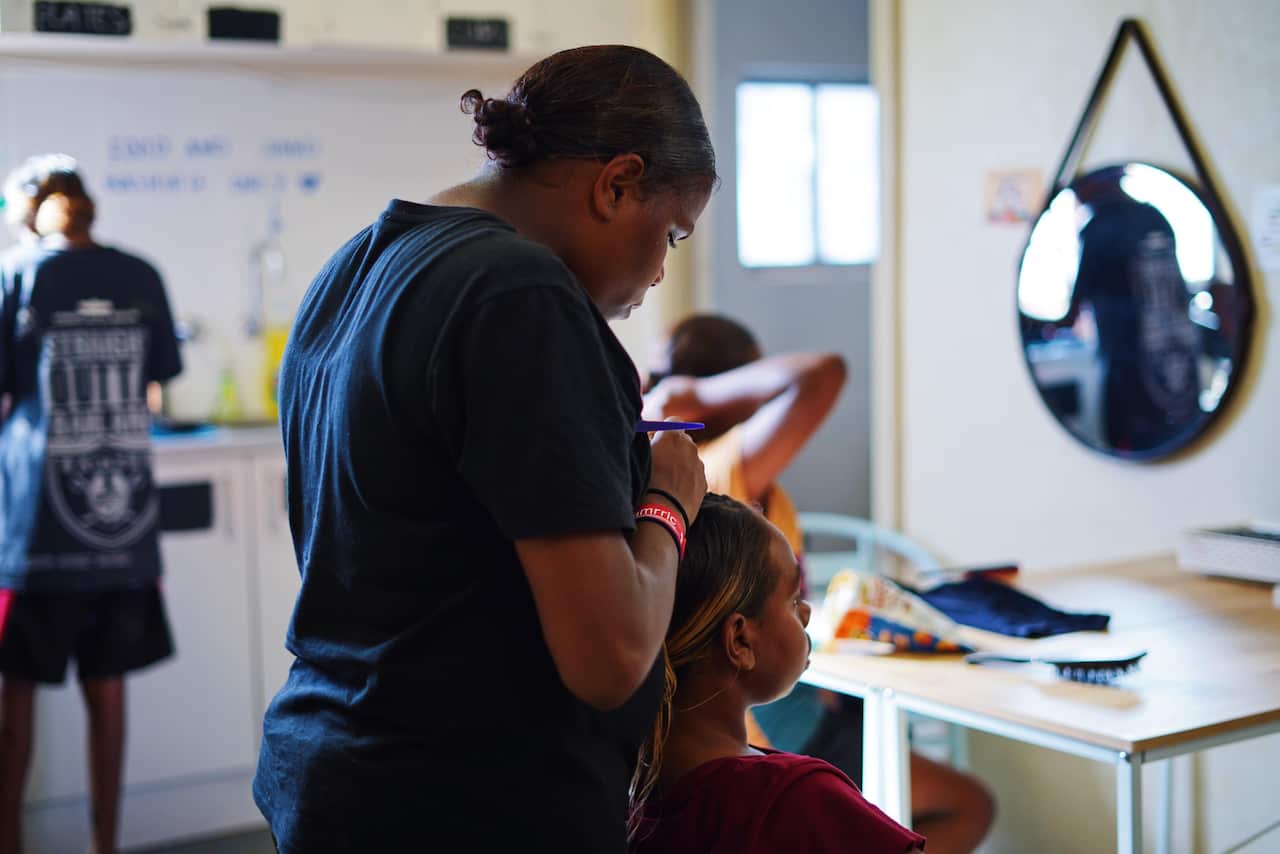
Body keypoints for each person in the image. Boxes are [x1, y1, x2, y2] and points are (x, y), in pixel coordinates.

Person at [252, 45, 714, 852]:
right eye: (671, 234)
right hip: (464, 802)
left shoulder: (358, 264)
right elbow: (608, 660)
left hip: (335, 772)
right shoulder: (521, 294)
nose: (656, 278)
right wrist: (667, 501)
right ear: (616, 184)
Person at [644, 314, 994, 854]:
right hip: (769, 726)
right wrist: (697, 394)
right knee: (969, 802)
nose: (804, 610)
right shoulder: (721, 472)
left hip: (744, 709)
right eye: (794, 600)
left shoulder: (643, 795)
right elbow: (822, 374)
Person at [0, 154, 182, 854]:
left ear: (28, 210)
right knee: (107, 690)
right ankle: (105, 846)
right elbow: (154, 387)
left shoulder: (17, 273)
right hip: (119, 523)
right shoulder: (141, 275)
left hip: (36, 523)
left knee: (16, 699)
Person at [628, 492, 925, 853]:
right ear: (740, 640)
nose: (806, 615)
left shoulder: (629, 800)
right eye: (793, 599)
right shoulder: (796, 798)